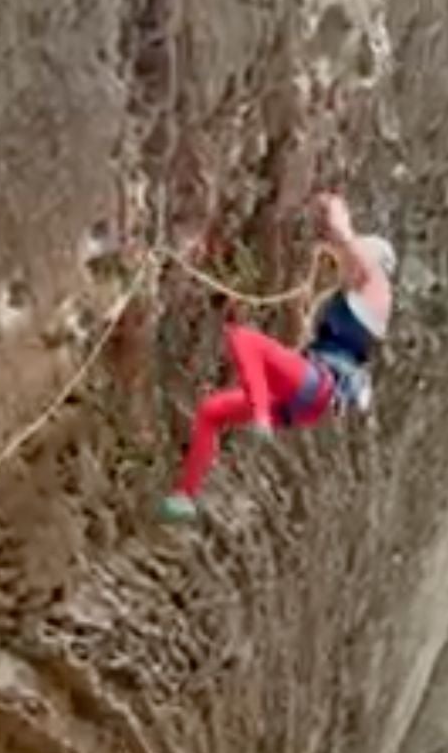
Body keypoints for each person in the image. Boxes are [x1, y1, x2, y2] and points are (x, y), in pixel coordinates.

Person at [156, 191, 397, 524]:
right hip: (306, 400)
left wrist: (333, 207)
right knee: (211, 412)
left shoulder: (377, 285)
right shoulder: (360, 303)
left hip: (317, 384)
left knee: (244, 339)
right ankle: (185, 495)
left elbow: (346, 237)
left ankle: (260, 416)